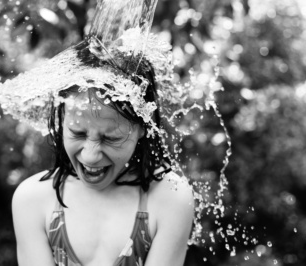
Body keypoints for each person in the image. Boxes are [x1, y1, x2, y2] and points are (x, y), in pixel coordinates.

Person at [11, 51, 194, 266]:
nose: (90, 155)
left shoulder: (169, 199)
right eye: (77, 133)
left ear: (144, 127)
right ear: (61, 121)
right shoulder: (34, 200)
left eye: (110, 138)